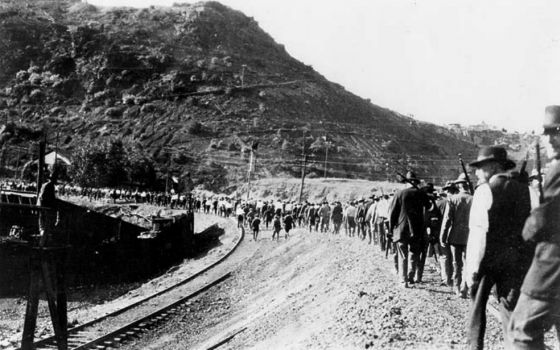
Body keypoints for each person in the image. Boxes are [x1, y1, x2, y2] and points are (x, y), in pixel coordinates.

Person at [465, 146, 533, 350]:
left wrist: (472, 271)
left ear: (493, 168)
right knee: (511, 310)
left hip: (487, 259)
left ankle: (474, 346)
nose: (476, 173)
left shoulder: (484, 191)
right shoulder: (529, 191)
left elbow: (477, 234)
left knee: (477, 309)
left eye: (479, 168)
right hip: (516, 261)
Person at [507, 105, 560, 349]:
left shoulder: (558, 170)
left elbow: (539, 223)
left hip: (551, 267)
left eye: (555, 131)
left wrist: (528, 228)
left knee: (522, 331)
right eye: (546, 132)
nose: (548, 139)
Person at [388, 171, 431, 288]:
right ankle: (411, 277)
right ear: (415, 182)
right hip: (417, 229)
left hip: (401, 229)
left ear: (406, 183)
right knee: (414, 253)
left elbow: (392, 214)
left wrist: (390, 229)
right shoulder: (421, 194)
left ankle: (403, 280)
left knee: (403, 255)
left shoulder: (399, 194)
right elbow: (429, 207)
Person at [440, 174, 473, 297]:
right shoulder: (474, 199)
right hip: (470, 236)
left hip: (455, 236)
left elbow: (447, 220)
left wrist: (442, 236)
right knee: (467, 263)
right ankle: (465, 287)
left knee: (456, 263)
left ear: (459, 185)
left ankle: (457, 287)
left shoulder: (453, 199)